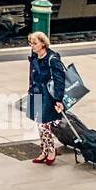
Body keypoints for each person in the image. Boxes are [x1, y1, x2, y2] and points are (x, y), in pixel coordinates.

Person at [26, 31, 66, 165]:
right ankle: (44, 150)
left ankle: (51, 151)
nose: (32, 46)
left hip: (48, 95)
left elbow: (60, 80)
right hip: (37, 92)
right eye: (31, 43)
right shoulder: (35, 57)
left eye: (35, 43)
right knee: (39, 124)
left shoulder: (52, 59)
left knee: (44, 125)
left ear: (43, 44)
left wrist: (59, 99)